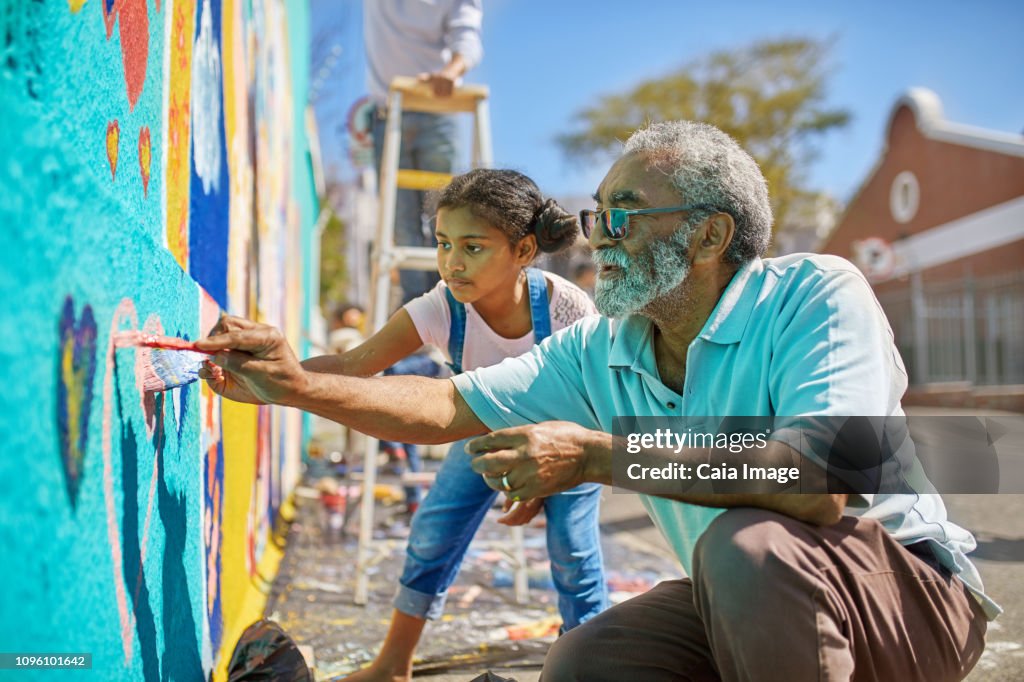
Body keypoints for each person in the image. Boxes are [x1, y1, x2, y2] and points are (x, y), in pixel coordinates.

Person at [197, 121, 998, 681]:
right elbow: (449, 408)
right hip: (748, 600)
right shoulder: (603, 345)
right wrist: (298, 387)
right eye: (595, 215)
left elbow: (821, 478)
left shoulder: (815, 293)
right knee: (587, 661)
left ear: (711, 237)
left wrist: (599, 457)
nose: (598, 236)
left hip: (908, 596)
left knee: (744, 547)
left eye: (622, 216)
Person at [261, 168, 607, 681]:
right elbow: (357, 365)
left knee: (574, 556)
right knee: (432, 534)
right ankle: (393, 665)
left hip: (570, 437)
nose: (451, 263)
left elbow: (590, 400)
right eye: (444, 244)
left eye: (472, 247)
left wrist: (539, 481)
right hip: (482, 430)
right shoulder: (442, 308)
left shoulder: (566, 308)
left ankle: (588, 671)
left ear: (524, 250)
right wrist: (274, 375)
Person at [364, 0, 483, 304]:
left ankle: (445, 302)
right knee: (401, 223)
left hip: (437, 111)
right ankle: (417, 310)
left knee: (442, 217)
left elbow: (466, 37)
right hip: (389, 112)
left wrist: (451, 72)